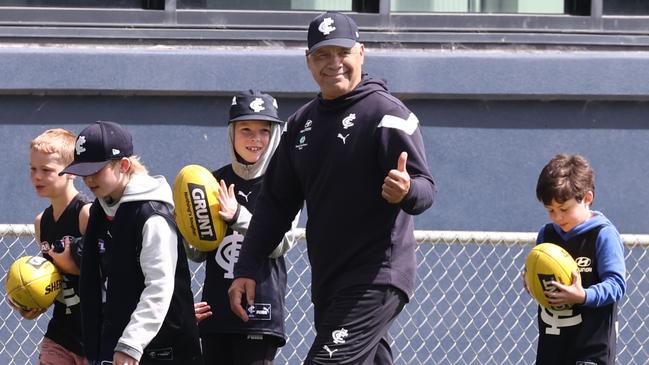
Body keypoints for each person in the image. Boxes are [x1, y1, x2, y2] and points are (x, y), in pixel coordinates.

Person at [228, 12, 436, 364]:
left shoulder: (386, 114)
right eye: (323, 55)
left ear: (361, 53)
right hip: (329, 281)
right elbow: (276, 204)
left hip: (375, 276)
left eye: (342, 52)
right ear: (309, 61)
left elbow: (425, 188)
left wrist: (406, 191)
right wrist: (246, 267)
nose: (333, 63)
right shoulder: (300, 125)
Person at [59, 121, 203, 365]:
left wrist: (131, 343)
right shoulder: (100, 210)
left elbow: (159, 285)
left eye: (97, 170)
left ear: (124, 165)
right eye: (84, 171)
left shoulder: (152, 214)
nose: (89, 179)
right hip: (116, 349)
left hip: (163, 350)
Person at [185, 90, 300, 364]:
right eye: (246, 129)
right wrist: (185, 224)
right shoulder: (211, 182)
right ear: (231, 133)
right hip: (215, 313)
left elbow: (281, 243)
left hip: (258, 313)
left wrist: (238, 215)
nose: (255, 138)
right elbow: (198, 253)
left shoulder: (285, 182)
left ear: (275, 135)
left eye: (264, 130)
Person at [528, 153, 626, 365]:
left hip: (590, 352)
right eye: (550, 210)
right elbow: (541, 281)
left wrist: (583, 296)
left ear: (587, 198)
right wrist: (531, 282)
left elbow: (617, 285)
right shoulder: (547, 235)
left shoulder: (603, 234)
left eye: (564, 209)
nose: (557, 217)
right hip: (551, 348)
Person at [10, 128, 91, 365]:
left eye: (46, 170)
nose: (37, 176)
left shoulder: (86, 213)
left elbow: (109, 270)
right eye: (33, 169)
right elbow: (52, 278)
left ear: (71, 172)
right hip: (60, 334)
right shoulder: (41, 222)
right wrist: (33, 300)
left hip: (97, 333)